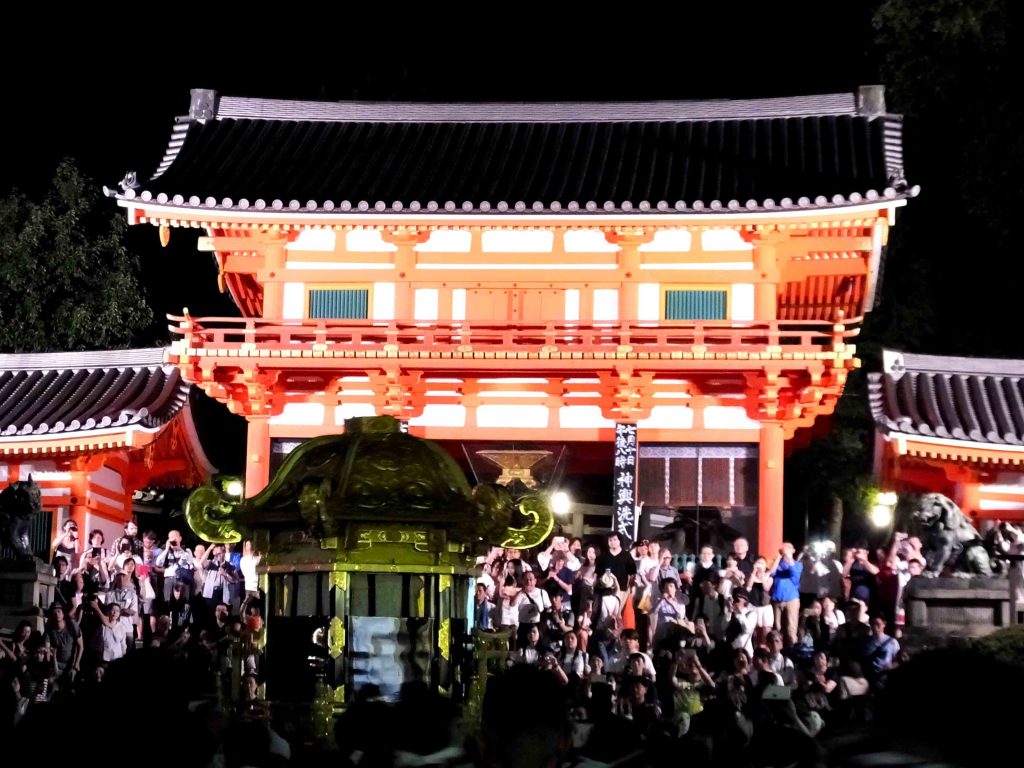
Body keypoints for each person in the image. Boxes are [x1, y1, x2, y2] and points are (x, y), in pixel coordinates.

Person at [769, 542, 803, 648]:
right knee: (777, 628)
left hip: (791, 599)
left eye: (788, 547)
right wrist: (779, 557)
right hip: (777, 599)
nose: (785, 549)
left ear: (793, 550)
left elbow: (795, 575)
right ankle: (778, 650)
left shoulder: (797, 564)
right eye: (783, 547)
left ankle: (793, 651)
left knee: (791, 629)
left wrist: (789, 558)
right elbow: (771, 572)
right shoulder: (777, 563)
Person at [595, 532, 636, 596]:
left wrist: (631, 588)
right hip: (605, 590)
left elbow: (632, 573)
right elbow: (597, 573)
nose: (612, 542)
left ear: (620, 541)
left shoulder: (626, 555)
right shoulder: (603, 556)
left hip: (621, 590)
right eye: (610, 540)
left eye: (615, 539)